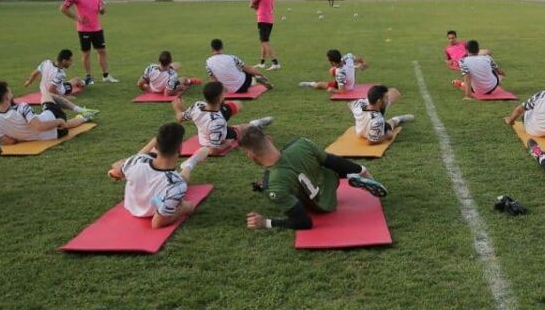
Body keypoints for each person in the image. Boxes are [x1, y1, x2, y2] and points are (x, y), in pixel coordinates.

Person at [239, 126, 387, 230]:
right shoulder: (300, 143)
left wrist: (265, 222)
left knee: (285, 185)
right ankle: (354, 173)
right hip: (330, 180)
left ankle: (353, 175)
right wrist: (361, 169)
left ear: (251, 155)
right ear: (269, 139)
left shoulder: (273, 184)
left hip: (322, 205)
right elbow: (332, 161)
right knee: (320, 161)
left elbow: (304, 222)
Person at [107, 123, 211, 229]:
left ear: (156, 146)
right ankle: (190, 163)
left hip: (132, 208)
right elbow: (157, 223)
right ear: (180, 149)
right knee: (181, 182)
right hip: (154, 209)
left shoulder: (137, 161)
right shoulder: (176, 184)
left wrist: (124, 170)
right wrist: (185, 207)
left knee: (138, 160)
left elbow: (117, 165)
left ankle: (189, 163)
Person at [173, 82, 272, 154]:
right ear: (220, 98)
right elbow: (214, 150)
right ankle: (254, 124)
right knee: (241, 130)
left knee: (235, 110)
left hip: (207, 129)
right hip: (217, 136)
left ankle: (253, 124)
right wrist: (228, 144)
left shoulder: (197, 105)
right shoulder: (218, 121)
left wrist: (178, 108)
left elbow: (180, 118)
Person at [0, 81, 92, 144]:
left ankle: (84, 118)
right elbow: (40, 126)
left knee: (65, 123)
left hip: (56, 133)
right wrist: (58, 120)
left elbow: (10, 141)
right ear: (6, 97)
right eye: (10, 92)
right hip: (55, 122)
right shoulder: (21, 107)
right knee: (46, 94)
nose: (12, 93)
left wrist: (24, 134)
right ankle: (79, 110)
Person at [60, 0, 116, 85]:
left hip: (97, 28)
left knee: (102, 51)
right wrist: (77, 18)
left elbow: (102, 10)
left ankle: (106, 75)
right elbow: (63, 8)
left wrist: (102, 9)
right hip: (84, 29)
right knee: (86, 54)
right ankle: (88, 77)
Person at [21, 50, 95, 118]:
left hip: (44, 91)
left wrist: (29, 81)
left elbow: (35, 73)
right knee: (76, 80)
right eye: (70, 61)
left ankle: (84, 82)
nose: (71, 63)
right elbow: (52, 90)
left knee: (73, 81)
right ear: (63, 61)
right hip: (58, 92)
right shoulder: (60, 73)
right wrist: (65, 97)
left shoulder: (46, 62)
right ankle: (85, 82)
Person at [205, 39, 272, 94]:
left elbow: (214, 80)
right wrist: (261, 74)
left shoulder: (208, 62)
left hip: (228, 90)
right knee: (244, 69)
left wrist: (222, 90)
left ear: (212, 48)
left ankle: (255, 80)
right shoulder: (231, 57)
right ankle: (257, 79)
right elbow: (248, 69)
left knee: (239, 69)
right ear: (222, 47)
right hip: (243, 87)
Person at [250, 0, 280, 70]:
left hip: (262, 19)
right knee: (263, 41)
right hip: (270, 19)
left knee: (264, 41)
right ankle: (262, 62)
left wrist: (255, 7)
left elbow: (251, 4)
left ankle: (275, 63)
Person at [300, 50, 366, 92]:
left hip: (347, 87)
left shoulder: (340, 74)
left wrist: (333, 90)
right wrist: (364, 63)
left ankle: (311, 84)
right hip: (349, 76)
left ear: (333, 63)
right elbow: (359, 59)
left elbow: (342, 91)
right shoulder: (348, 57)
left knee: (320, 84)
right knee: (354, 67)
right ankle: (311, 84)